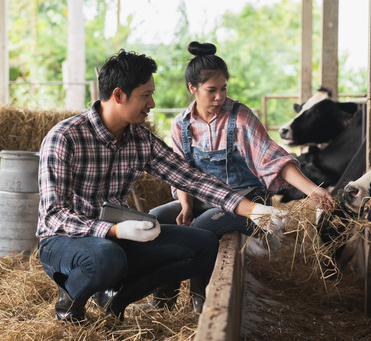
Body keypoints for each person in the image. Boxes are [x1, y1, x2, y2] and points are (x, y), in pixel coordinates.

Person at [36, 49, 290, 324]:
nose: (153, 103)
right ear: (119, 95)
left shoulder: (140, 139)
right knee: (108, 257)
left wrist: (253, 210)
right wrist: (114, 230)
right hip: (65, 241)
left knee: (203, 244)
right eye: (146, 95)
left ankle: (116, 300)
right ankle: (69, 305)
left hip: (116, 237)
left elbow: (191, 179)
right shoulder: (65, 137)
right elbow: (54, 216)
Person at [146, 41, 334, 312]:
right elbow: (180, 172)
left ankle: (200, 301)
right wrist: (185, 204)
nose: (219, 97)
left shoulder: (240, 117)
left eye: (223, 89)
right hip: (203, 200)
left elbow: (274, 159)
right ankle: (163, 300)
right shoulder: (181, 125)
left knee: (202, 226)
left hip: (249, 202)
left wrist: (312, 190)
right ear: (192, 89)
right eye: (211, 90)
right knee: (156, 218)